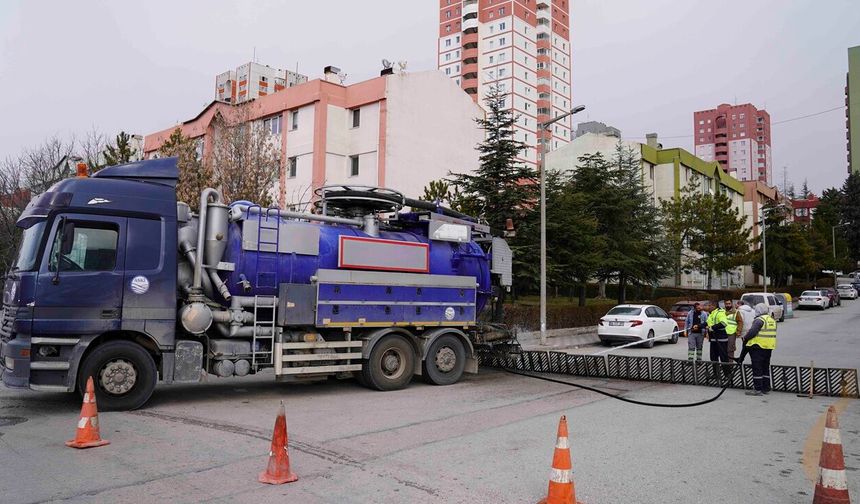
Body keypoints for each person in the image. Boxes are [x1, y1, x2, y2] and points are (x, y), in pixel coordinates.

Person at [740, 302, 777, 396]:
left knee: (757, 368)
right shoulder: (771, 320)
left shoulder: (759, 320)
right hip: (768, 347)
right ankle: (766, 387)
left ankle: (757, 389)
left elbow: (752, 332)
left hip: (758, 347)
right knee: (765, 368)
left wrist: (745, 337)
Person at [705, 300, 734, 364]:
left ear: (714, 306)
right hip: (713, 339)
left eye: (709, 305)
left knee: (723, 358)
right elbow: (707, 323)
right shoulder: (712, 313)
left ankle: (727, 373)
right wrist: (698, 326)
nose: (708, 307)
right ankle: (716, 373)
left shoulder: (720, 313)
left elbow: (723, 323)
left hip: (721, 339)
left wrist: (712, 327)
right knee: (713, 358)